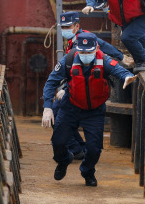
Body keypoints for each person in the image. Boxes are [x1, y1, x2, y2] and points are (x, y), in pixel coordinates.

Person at [42, 32, 136, 187]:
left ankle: (87, 172)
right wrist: (48, 107)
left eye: (89, 52)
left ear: (96, 48)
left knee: (94, 148)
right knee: (58, 142)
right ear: (77, 50)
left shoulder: (104, 60)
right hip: (70, 107)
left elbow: (120, 71)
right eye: (82, 52)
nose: (85, 55)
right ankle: (64, 160)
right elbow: (51, 81)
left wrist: (126, 78)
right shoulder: (69, 60)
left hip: (94, 110)